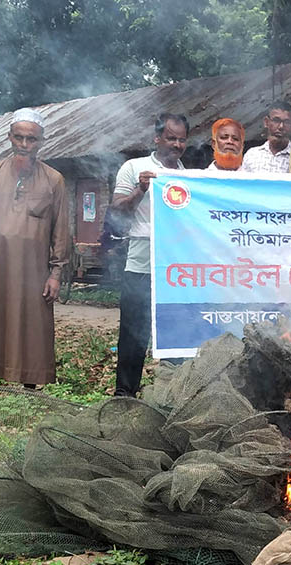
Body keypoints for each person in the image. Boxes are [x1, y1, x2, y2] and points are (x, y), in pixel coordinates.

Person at [0, 108, 70, 387]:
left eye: (31, 140)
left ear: (41, 141)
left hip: (33, 271)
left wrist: (55, 274)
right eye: (18, 138)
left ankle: (29, 388)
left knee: (33, 327)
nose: (24, 145)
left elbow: (61, 230)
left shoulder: (54, 180)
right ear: (9, 137)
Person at [111, 113, 188, 397]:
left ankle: (171, 396)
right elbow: (117, 210)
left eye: (181, 139)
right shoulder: (134, 167)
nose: (176, 145)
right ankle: (124, 395)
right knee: (133, 333)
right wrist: (140, 190)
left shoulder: (188, 176)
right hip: (140, 262)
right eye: (171, 138)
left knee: (175, 330)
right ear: (157, 138)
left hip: (175, 269)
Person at [241, 101, 291, 173]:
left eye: (287, 122)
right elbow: (244, 184)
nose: (281, 126)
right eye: (276, 120)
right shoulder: (252, 155)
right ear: (266, 122)